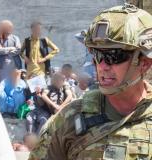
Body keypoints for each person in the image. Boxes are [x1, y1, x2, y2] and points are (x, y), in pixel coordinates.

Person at [29, 4, 152, 160]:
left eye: (114, 56)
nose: (101, 66)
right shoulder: (68, 119)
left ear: (144, 63)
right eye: (96, 54)